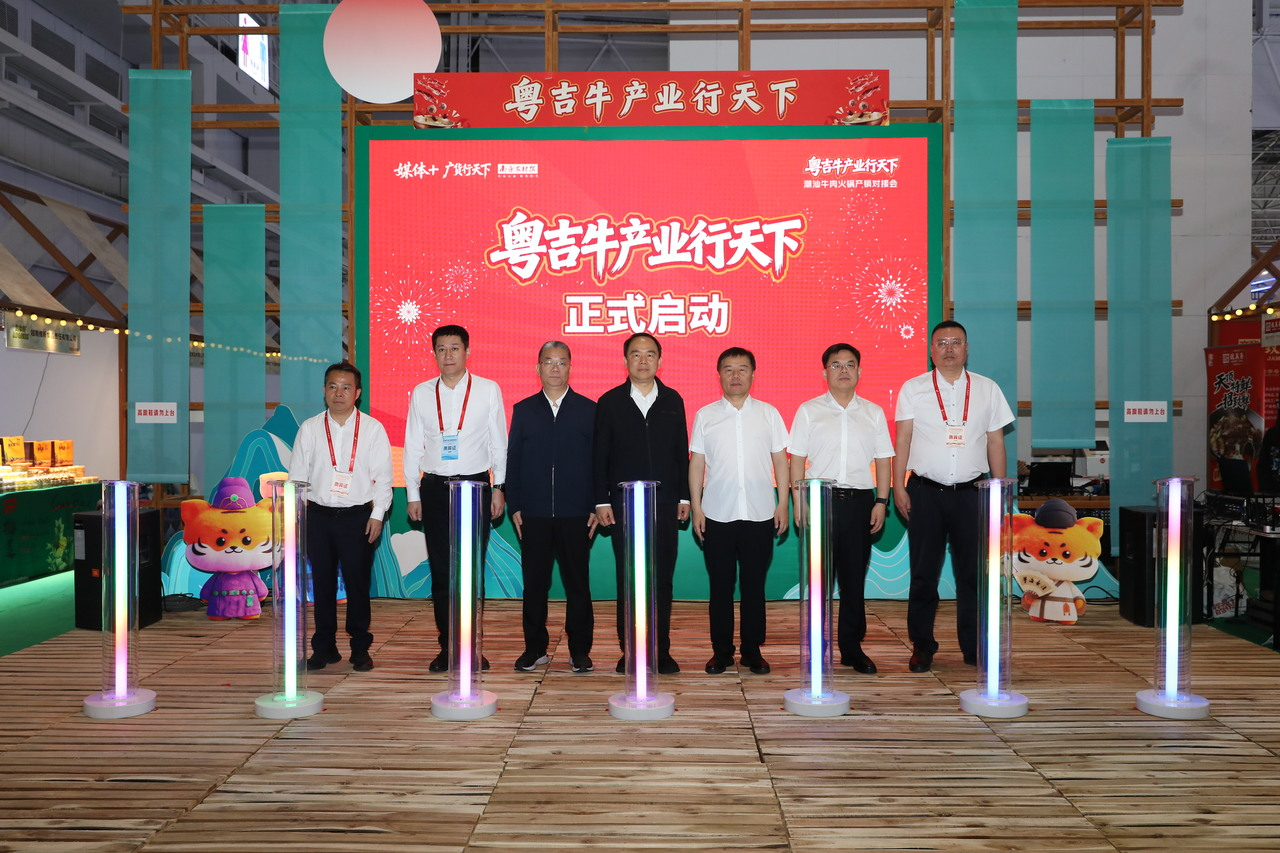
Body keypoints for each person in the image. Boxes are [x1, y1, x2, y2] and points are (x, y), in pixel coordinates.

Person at [893, 320, 1014, 672]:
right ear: (931, 350)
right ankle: (922, 645)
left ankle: (974, 646)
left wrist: (999, 490)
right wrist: (898, 485)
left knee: (973, 575)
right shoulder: (913, 388)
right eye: (942, 342)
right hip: (925, 493)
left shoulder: (988, 389)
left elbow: (995, 442)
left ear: (966, 349)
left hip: (972, 494)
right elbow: (903, 439)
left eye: (956, 342)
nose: (949, 348)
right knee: (923, 575)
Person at [403, 324, 507, 673]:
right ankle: (448, 647)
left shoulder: (488, 390)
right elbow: (412, 445)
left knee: (471, 571)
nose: (448, 355)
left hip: (475, 487)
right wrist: (414, 494)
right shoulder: (421, 393)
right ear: (434, 353)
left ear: (467, 351)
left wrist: (499, 487)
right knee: (442, 572)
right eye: (441, 349)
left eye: (455, 348)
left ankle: (472, 647)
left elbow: (499, 443)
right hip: (434, 489)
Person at [788, 343, 894, 675]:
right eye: (836, 365)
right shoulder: (809, 410)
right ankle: (816, 645)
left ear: (859, 371)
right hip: (820, 500)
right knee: (819, 580)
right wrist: (799, 502)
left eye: (850, 364)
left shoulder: (873, 412)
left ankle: (851, 648)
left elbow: (884, 461)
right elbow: (796, 460)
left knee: (853, 580)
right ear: (825, 373)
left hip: (861, 502)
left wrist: (881, 501)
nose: (843, 370)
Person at [689, 347, 790, 675]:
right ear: (719, 374)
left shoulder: (769, 414)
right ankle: (721, 651)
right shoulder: (705, 415)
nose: (735, 375)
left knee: (753, 586)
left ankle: (751, 650)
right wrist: (697, 508)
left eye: (742, 369)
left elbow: (780, 461)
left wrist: (783, 503)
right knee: (720, 587)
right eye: (728, 369)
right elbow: (697, 464)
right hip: (717, 514)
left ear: (752, 374)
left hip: (760, 513)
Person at [594, 332, 690, 674]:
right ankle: (631, 651)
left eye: (650, 354)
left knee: (662, 579)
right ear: (625, 361)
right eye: (636, 354)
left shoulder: (673, 399)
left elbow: (680, 452)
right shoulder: (610, 402)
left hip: (664, 503)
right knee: (630, 579)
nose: (643, 360)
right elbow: (600, 457)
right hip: (624, 505)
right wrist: (601, 501)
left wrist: (684, 496)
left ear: (660, 361)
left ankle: (660, 650)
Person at [289, 361, 393, 672]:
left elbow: (383, 478)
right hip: (318, 516)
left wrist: (377, 515)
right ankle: (324, 648)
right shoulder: (310, 428)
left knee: (357, 584)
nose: (339, 393)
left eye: (346, 387)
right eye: (333, 386)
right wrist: (298, 518)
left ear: (357, 393)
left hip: (358, 518)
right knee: (320, 585)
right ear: (324, 390)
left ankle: (360, 648)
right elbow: (297, 477)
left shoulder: (373, 429)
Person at [506, 341, 597, 674]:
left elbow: (598, 462)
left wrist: (595, 504)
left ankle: (579, 651)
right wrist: (515, 504)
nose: (555, 368)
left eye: (561, 362)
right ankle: (535, 649)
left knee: (578, 585)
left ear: (570, 368)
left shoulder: (589, 410)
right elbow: (513, 459)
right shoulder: (524, 409)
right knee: (535, 585)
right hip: (534, 513)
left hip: (577, 513)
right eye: (548, 362)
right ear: (538, 368)